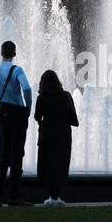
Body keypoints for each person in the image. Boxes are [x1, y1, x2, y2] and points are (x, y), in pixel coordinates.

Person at [0, 41, 33, 207]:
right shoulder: (17, 70)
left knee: (3, 157)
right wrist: (27, 109)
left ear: (1, 53)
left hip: (3, 117)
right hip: (17, 117)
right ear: (14, 54)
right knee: (17, 156)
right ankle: (14, 196)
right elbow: (27, 88)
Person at [34, 70, 79, 206]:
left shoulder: (41, 97)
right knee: (61, 164)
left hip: (47, 135)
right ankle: (57, 195)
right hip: (63, 135)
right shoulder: (66, 96)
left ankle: (51, 196)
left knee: (47, 165)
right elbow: (74, 118)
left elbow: (37, 116)